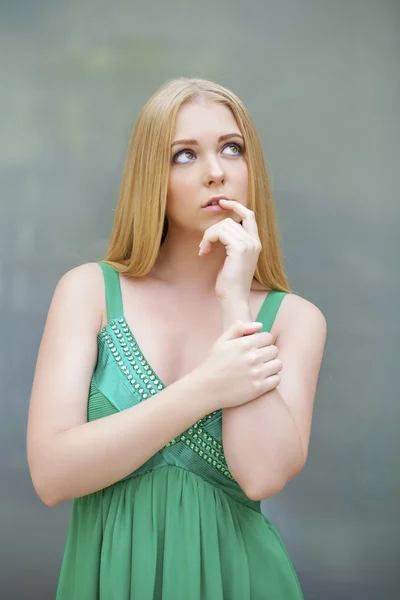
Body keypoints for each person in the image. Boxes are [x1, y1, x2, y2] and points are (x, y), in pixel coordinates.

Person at [27, 77, 327, 599]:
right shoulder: (88, 292)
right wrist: (208, 388)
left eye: (231, 149)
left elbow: (262, 477)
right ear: (152, 176)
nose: (216, 173)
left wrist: (234, 298)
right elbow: (52, 477)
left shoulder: (295, 319)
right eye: (184, 155)